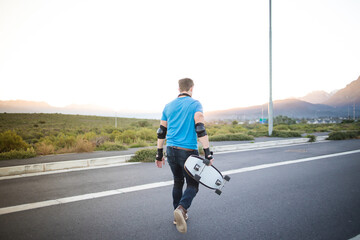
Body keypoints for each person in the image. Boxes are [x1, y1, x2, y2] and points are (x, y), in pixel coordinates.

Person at [155, 78, 214, 234]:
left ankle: (177, 215)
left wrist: (159, 153)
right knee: (193, 185)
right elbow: (200, 127)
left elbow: (161, 131)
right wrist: (208, 152)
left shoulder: (168, 106)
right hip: (188, 152)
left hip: (171, 151)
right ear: (191, 88)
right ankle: (181, 209)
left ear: (179, 88)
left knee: (178, 182)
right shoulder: (195, 104)